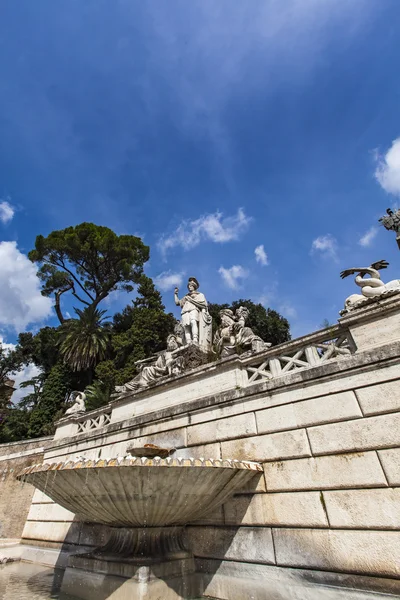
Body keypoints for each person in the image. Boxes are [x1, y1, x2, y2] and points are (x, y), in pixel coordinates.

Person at [115, 335, 184, 393]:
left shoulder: (177, 351)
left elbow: (181, 351)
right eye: (171, 339)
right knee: (145, 369)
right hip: (158, 369)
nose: (173, 341)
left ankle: (127, 387)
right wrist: (142, 364)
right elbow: (155, 363)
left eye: (174, 340)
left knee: (146, 370)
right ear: (168, 342)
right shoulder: (164, 353)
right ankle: (127, 387)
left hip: (164, 369)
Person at [174, 277, 209, 346]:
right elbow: (177, 303)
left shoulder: (200, 295)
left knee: (193, 322)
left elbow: (204, 304)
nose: (189, 288)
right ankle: (188, 341)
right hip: (185, 311)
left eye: (191, 286)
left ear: (194, 287)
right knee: (186, 326)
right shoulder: (186, 297)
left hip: (194, 309)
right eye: (189, 286)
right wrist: (175, 294)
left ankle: (195, 339)